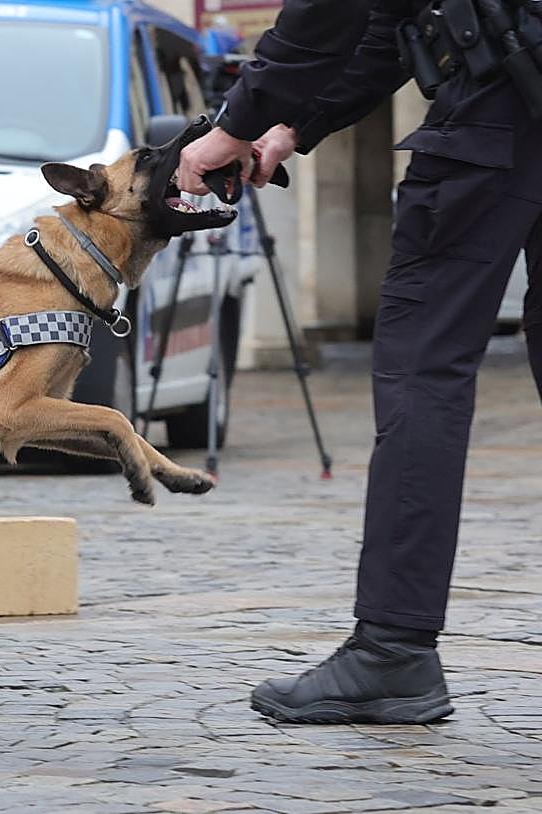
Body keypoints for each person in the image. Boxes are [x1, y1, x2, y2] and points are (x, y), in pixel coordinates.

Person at [177, 0, 542, 724]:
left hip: (499, 111)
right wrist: (294, 125)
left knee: (423, 368)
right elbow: (392, 22)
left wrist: (236, 125)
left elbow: (334, 10)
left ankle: (393, 651)